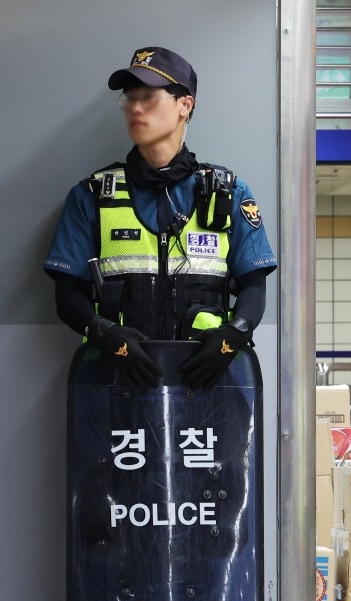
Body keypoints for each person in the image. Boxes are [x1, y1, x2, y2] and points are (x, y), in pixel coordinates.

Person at [45, 47, 277, 386]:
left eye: (149, 98)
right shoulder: (93, 195)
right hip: (115, 385)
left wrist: (232, 337)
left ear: (185, 105)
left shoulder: (229, 192)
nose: (136, 109)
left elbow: (254, 284)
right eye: (130, 98)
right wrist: (106, 335)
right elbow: (67, 293)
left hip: (207, 386)